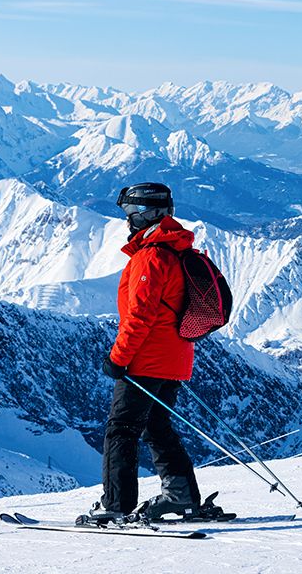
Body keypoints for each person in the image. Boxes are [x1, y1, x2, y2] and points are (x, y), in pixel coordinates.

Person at [89, 182, 216, 523]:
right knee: (156, 426)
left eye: (131, 214)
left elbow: (139, 317)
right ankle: (181, 495)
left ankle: (115, 505)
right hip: (175, 358)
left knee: (121, 429)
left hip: (146, 359)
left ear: (147, 214)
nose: (128, 221)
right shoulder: (175, 249)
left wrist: (118, 359)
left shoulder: (151, 256)